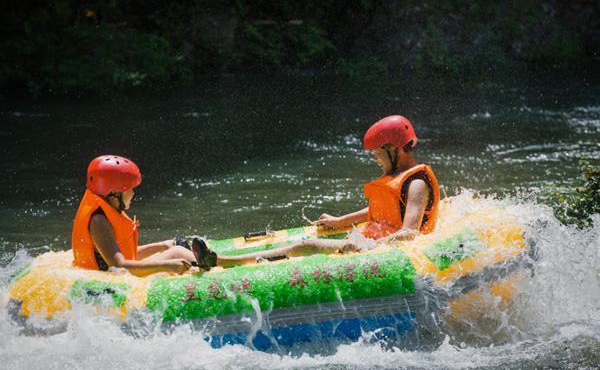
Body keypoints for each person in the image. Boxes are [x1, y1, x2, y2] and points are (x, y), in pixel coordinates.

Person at [193, 115, 440, 269]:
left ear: (393, 148)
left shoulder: (416, 183)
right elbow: (383, 209)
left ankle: (220, 261)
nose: (375, 159)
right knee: (307, 242)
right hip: (373, 241)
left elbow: (409, 233)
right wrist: (340, 221)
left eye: (377, 154)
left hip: (388, 252)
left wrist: (368, 246)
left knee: (305, 245)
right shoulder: (399, 178)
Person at [71, 155, 197, 276]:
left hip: (116, 276)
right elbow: (118, 266)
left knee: (174, 250)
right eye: (129, 189)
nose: (133, 194)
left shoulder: (106, 212)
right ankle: (209, 267)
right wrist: (166, 265)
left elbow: (125, 253)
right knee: (177, 252)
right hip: (112, 285)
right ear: (115, 192)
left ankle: (208, 262)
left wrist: (163, 245)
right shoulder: (98, 221)